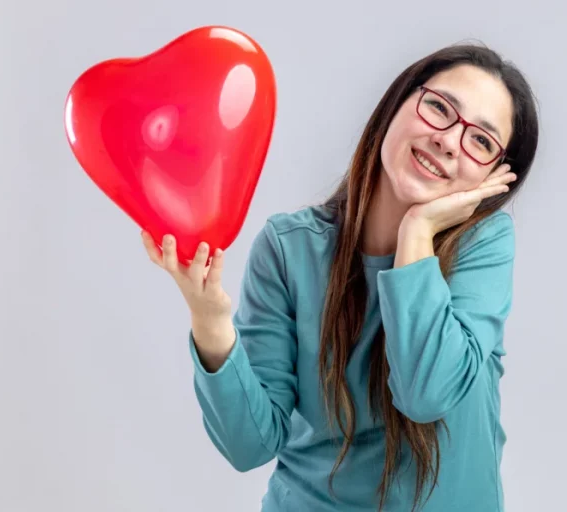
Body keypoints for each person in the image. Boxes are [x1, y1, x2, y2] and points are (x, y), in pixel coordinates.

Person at [141, 42, 539, 512]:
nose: (449, 140)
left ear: (494, 176)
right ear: (397, 104)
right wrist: (209, 320)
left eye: (481, 141)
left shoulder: (483, 244)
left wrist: (417, 232)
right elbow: (249, 445)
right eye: (439, 108)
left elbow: (426, 394)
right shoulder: (290, 248)